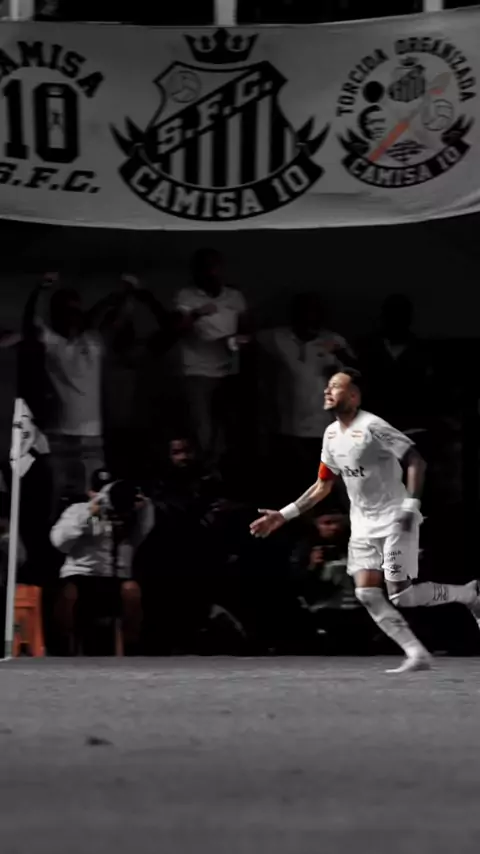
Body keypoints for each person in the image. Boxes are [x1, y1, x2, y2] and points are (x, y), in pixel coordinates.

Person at [250, 368, 480, 674]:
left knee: (401, 595)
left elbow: (416, 461)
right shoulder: (331, 435)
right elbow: (323, 485)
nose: (327, 391)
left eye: (335, 386)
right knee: (366, 592)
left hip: (394, 518)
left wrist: (410, 508)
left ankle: (468, 594)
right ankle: (416, 653)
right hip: (362, 524)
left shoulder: (373, 426)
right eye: (327, 386)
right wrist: (284, 514)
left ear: (354, 396)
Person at [257, 292, 355, 500]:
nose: (310, 318)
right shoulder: (277, 338)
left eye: (315, 313)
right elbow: (248, 343)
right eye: (305, 312)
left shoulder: (333, 341)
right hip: (286, 426)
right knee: (289, 485)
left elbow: (356, 374)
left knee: (319, 485)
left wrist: (339, 368)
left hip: (322, 426)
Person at [51, 470, 154, 655]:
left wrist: (143, 504)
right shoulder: (79, 510)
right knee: (69, 593)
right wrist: (92, 511)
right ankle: (66, 649)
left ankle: (131, 651)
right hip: (82, 575)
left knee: (132, 591)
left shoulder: (130, 512)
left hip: (115, 578)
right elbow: (59, 542)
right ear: (91, 492)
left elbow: (144, 530)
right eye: (98, 490)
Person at [174, 249, 250, 464]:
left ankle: (219, 470)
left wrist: (238, 341)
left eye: (214, 266)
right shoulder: (186, 296)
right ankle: (201, 470)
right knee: (201, 427)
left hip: (229, 369)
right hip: (197, 369)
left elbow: (247, 329)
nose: (210, 272)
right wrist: (196, 313)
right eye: (204, 267)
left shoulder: (234, 296)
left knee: (226, 424)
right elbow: (177, 329)